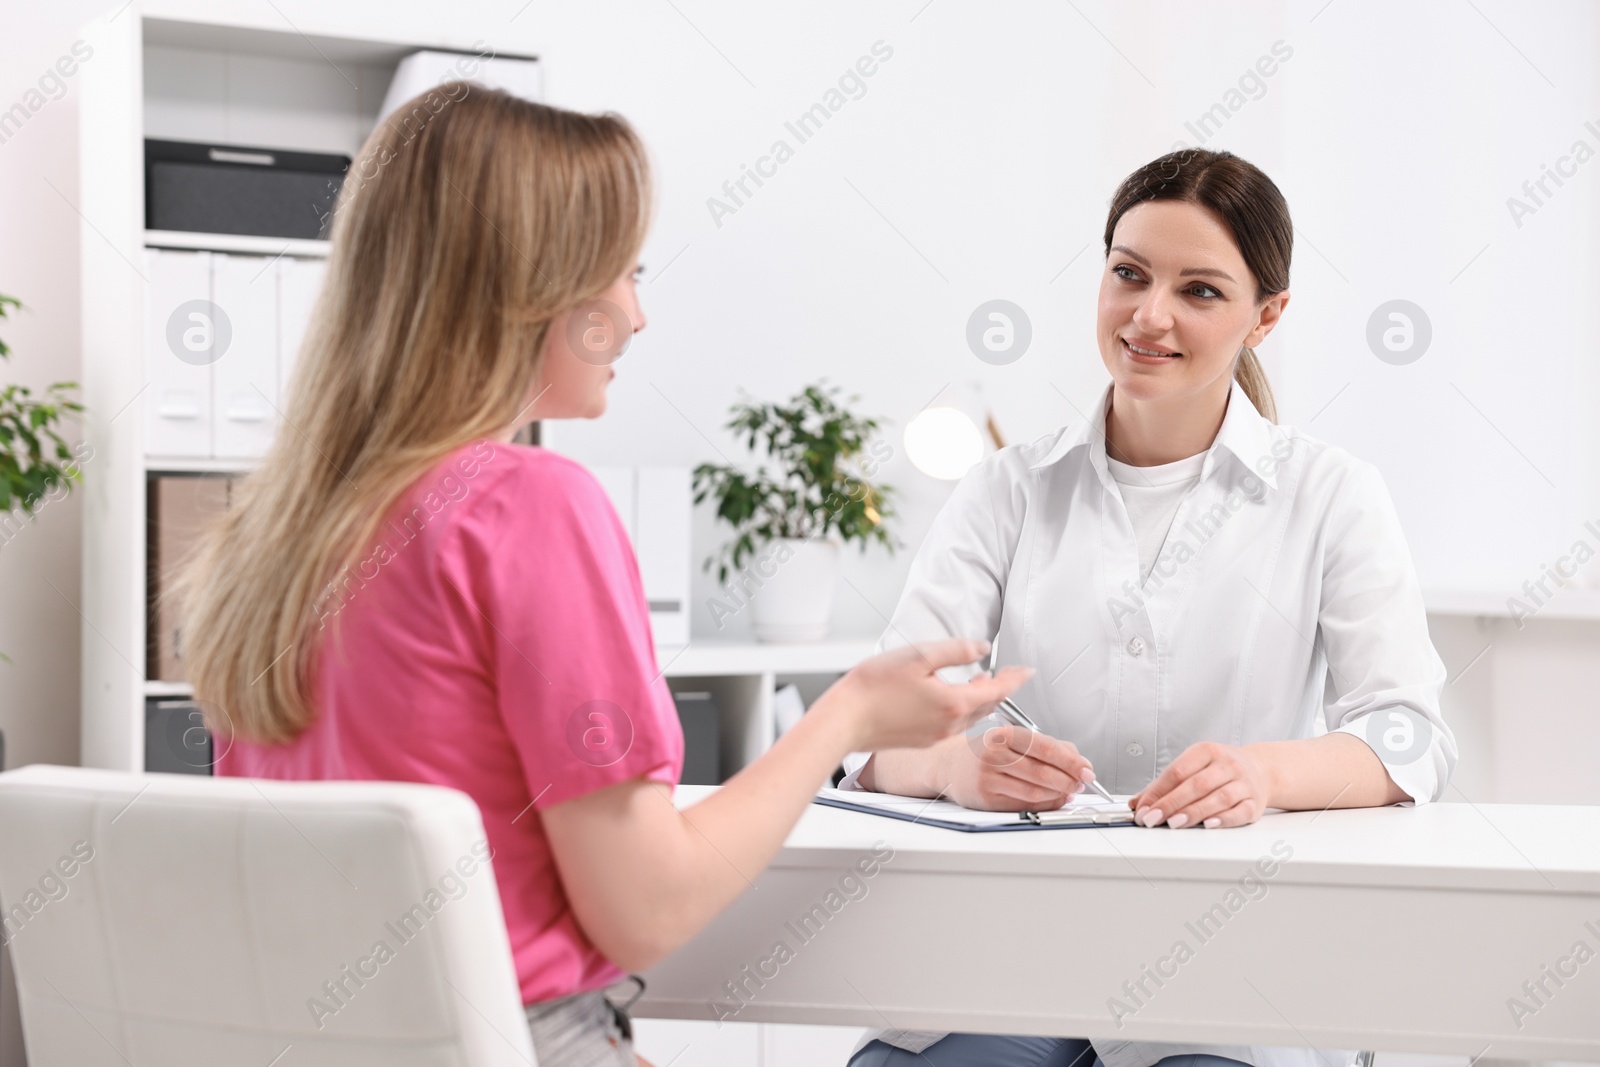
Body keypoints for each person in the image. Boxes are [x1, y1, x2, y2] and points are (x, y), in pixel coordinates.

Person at [174, 86, 1031, 1067]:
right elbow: (646, 908)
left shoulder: (266, 542)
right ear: (529, 287)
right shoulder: (527, 507)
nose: (637, 313)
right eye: (622, 270)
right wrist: (847, 715)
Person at [841, 148, 1458, 1067]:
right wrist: (958, 769)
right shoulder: (1008, 489)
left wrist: (1263, 775)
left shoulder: (1332, 495)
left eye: (1201, 291)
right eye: (1128, 274)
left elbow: (1409, 736)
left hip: (1227, 961)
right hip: (1015, 943)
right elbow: (872, 727)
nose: (1149, 315)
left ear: (1267, 316)